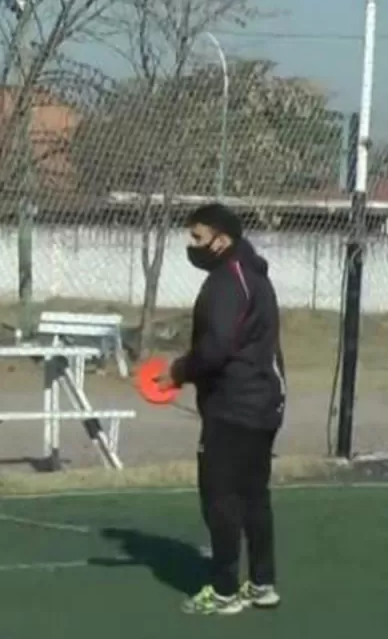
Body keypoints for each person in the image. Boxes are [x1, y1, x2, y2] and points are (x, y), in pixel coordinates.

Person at [156, 203, 287, 616]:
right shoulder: (253, 276)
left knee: (220, 498)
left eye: (197, 237)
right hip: (263, 402)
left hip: (235, 407)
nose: (191, 245)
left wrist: (177, 371)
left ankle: (225, 590)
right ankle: (263, 583)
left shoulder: (227, 282)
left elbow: (215, 349)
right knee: (253, 495)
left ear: (222, 239)